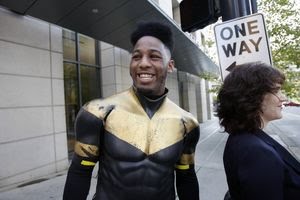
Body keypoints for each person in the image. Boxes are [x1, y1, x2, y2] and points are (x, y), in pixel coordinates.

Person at [63, 21, 200, 200]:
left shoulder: (187, 123)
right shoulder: (97, 113)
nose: (143, 63)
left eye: (154, 56)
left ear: (170, 66)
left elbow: (186, 178)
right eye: (136, 57)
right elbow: (80, 173)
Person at [216, 62, 300, 200]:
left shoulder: (245, 137)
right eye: (277, 90)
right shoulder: (256, 151)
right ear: (253, 96)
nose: (283, 98)